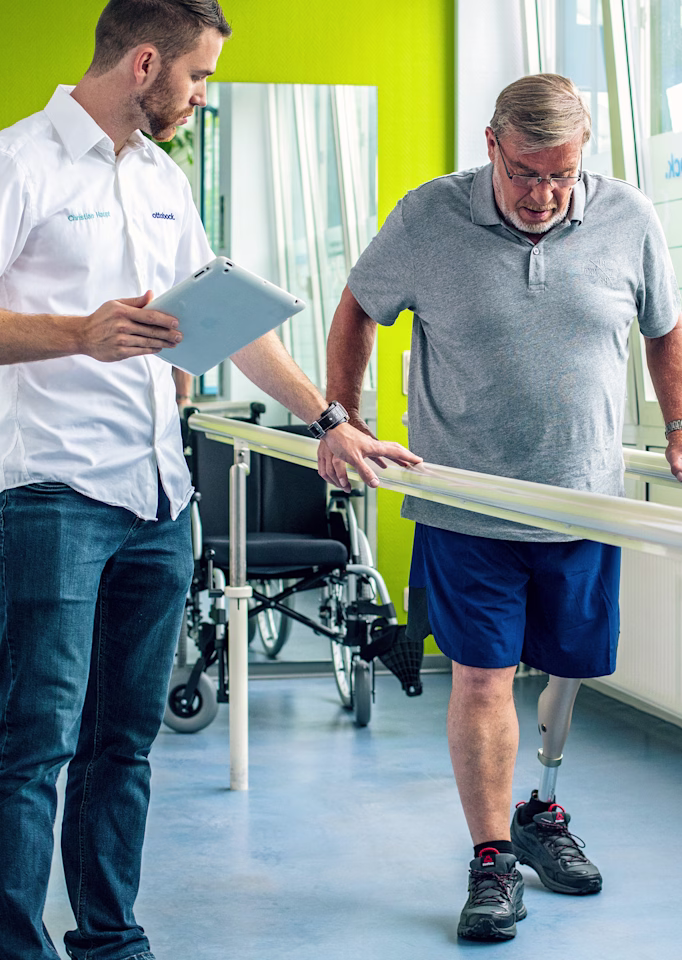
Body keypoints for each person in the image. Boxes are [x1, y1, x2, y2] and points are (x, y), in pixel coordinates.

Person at [0, 2, 419, 958]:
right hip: (51, 498)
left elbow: (227, 328)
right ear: (144, 62)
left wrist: (329, 419)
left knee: (124, 747)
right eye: (197, 77)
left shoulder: (161, 179)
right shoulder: (17, 163)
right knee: (31, 749)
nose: (200, 96)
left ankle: (109, 940)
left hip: (158, 500)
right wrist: (77, 333)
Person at [318, 73, 682, 942]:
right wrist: (343, 418)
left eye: (561, 177)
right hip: (468, 505)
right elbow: (357, 308)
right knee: (483, 678)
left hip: (584, 506)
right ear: (491, 145)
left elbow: (665, 325)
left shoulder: (629, 218)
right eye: (526, 173)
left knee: (571, 665)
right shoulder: (429, 217)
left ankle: (540, 811)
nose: (543, 195)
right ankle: (494, 858)